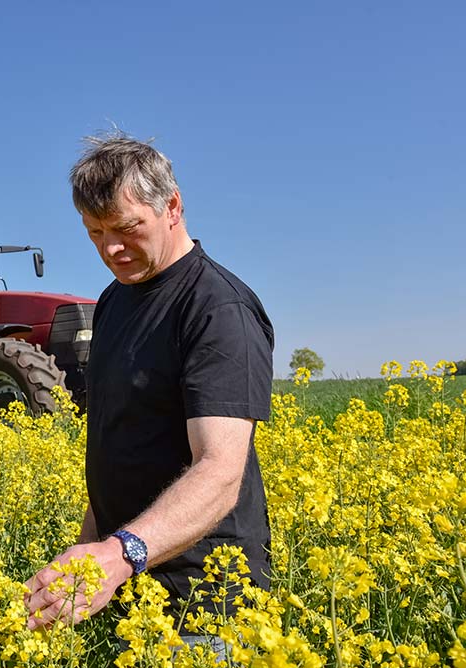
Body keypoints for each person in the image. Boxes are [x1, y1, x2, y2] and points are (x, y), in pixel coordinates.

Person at [25, 133, 274, 648]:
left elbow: (221, 472)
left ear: (173, 206)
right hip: (131, 585)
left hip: (205, 603)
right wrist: (88, 553)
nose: (110, 249)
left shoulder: (217, 310)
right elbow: (117, 444)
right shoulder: (114, 302)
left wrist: (118, 555)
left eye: (125, 228)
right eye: (94, 233)